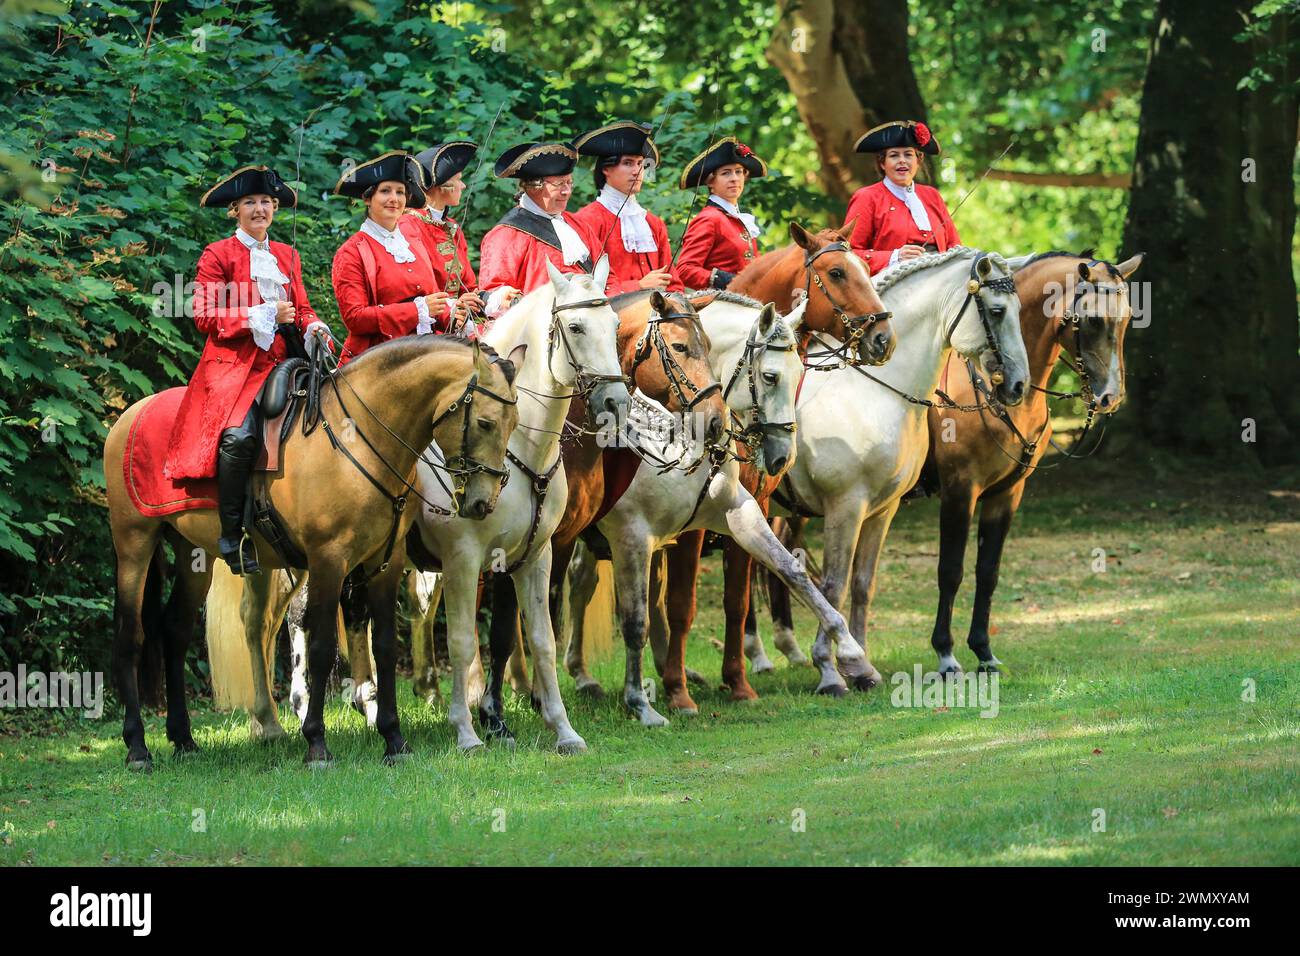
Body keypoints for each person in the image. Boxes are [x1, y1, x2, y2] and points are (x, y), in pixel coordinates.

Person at [164, 165, 324, 574]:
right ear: (234, 210)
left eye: (267, 202)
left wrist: (315, 326)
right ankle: (231, 536)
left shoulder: (288, 255)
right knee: (238, 438)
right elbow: (203, 315)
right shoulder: (218, 255)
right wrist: (263, 312)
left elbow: (301, 309)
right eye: (250, 202)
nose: (260, 209)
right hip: (237, 366)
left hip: (288, 359)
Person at [331, 150, 451, 360]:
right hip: (376, 359)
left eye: (400, 192)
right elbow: (355, 318)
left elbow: (432, 304)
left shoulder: (413, 243)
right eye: (385, 191)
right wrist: (416, 311)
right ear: (368, 199)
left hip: (425, 350)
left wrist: (455, 316)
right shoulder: (351, 251)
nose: (394, 199)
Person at [477, 141, 604, 317]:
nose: (567, 191)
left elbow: (607, 278)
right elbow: (493, 294)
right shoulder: (506, 235)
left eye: (569, 182)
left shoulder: (580, 227)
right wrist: (504, 297)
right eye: (559, 184)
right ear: (534, 186)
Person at [571, 120, 682, 294]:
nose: (637, 171)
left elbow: (674, 284)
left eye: (640, 163)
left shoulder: (654, 224)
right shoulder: (586, 220)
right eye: (628, 163)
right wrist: (638, 286)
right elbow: (584, 286)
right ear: (606, 169)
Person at [844, 120, 960, 274]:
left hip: (940, 282)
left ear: (918, 161)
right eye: (894, 155)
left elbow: (954, 244)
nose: (902, 161)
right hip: (891, 286)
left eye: (908, 154)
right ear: (882, 163)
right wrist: (895, 256)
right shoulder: (867, 197)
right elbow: (847, 254)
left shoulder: (932, 195)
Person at [409, 140, 485, 334]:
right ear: (443, 185)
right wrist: (456, 306)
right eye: (459, 179)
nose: (463, 185)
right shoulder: (409, 225)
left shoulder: (451, 226)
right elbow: (418, 288)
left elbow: (468, 286)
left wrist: (472, 300)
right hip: (425, 328)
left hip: (457, 322)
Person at [675, 136, 767, 290]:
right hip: (719, 305)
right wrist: (729, 281)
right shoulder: (709, 219)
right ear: (710, 181)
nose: (735, 179)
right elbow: (685, 270)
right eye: (726, 173)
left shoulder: (739, 219)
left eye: (738, 172)